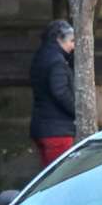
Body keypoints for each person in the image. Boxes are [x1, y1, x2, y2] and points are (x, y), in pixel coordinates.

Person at [29, 22, 78, 166]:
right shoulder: (57, 61)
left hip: (44, 126)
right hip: (57, 130)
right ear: (59, 39)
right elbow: (60, 92)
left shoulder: (42, 56)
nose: (73, 46)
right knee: (60, 179)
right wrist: (78, 112)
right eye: (71, 41)